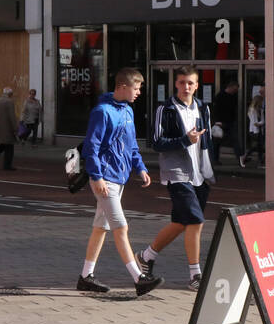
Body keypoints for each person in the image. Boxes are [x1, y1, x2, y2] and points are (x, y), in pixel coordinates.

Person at [76, 67, 162, 296]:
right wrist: (96, 177)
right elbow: (91, 147)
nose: (139, 92)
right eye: (136, 88)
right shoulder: (102, 112)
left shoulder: (128, 112)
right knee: (121, 227)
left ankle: (86, 276)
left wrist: (140, 168)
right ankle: (139, 278)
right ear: (123, 87)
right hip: (105, 179)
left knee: (100, 228)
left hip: (118, 177)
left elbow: (132, 145)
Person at [135, 66, 213, 293]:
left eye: (190, 83)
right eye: (182, 83)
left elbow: (207, 141)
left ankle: (146, 257)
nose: (186, 87)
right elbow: (157, 142)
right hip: (177, 173)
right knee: (196, 222)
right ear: (175, 84)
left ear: (197, 85)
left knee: (182, 223)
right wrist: (185, 140)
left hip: (200, 173)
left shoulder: (203, 108)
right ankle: (195, 275)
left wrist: (210, 168)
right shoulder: (166, 109)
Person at [210, 80, 242, 167]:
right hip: (220, 122)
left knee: (235, 140)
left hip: (230, 122)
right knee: (217, 141)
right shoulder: (220, 96)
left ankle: (240, 159)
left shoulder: (233, 96)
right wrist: (217, 121)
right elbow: (215, 109)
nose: (235, 91)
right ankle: (215, 159)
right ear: (230, 87)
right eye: (234, 89)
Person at [0, 87, 18, 170]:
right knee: (9, 147)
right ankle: (7, 165)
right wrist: (15, 128)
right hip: (7, 128)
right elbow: (12, 117)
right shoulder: (9, 102)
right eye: (12, 94)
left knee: (4, 145)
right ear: (10, 94)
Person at [241, 88, 264, 169]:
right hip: (254, 131)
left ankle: (260, 162)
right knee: (256, 146)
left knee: (259, 146)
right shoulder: (252, 110)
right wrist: (262, 123)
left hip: (257, 130)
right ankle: (244, 157)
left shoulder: (259, 110)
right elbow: (255, 122)